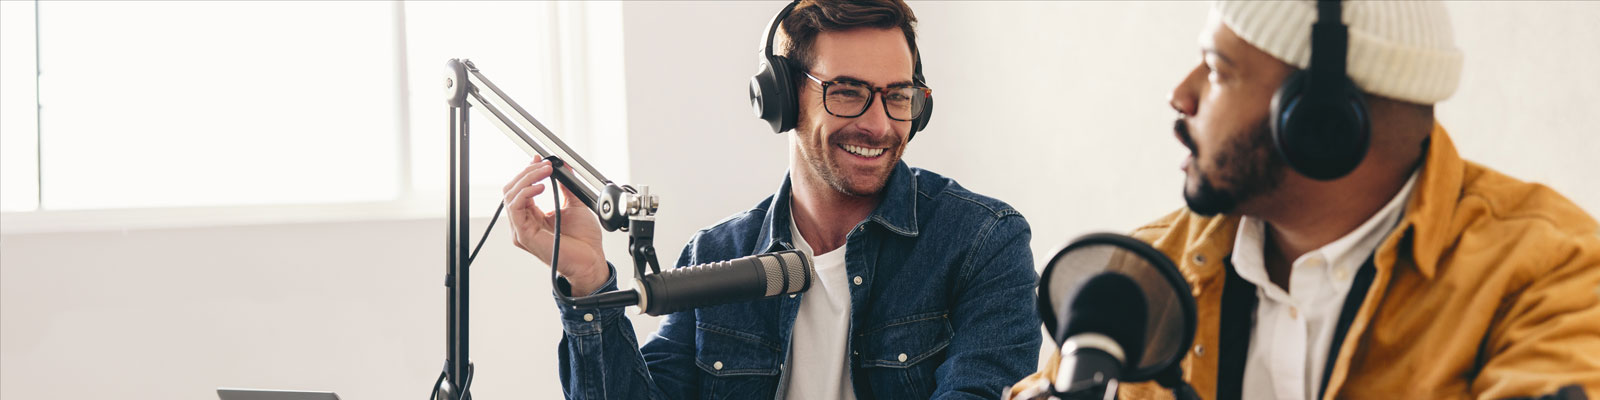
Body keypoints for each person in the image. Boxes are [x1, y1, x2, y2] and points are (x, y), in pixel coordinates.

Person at [1009, 1, 1599, 399]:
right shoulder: (1137, 275)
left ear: (1320, 120)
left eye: (1217, 70)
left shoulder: (1550, 269)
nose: (1181, 95)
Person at [503, 0, 1041, 398]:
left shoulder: (982, 242)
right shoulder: (715, 258)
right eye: (848, 92)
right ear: (781, 99)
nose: (878, 125)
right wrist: (589, 279)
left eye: (897, 96)